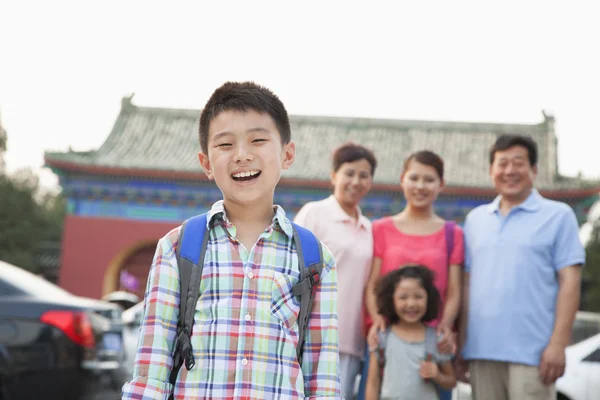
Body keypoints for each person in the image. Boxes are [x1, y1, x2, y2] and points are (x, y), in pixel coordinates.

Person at [121, 82, 341, 399]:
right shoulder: (178, 248)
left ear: (287, 154)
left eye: (258, 140)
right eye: (225, 145)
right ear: (207, 163)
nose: (241, 155)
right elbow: (150, 375)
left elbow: (323, 384)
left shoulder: (315, 259)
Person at [457, 134, 585, 400]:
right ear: (491, 171)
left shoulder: (558, 216)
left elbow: (570, 282)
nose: (510, 171)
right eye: (502, 163)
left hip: (534, 354)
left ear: (534, 170)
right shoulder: (475, 220)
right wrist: (462, 344)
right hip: (482, 351)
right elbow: (467, 285)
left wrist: (558, 344)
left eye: (518, 163)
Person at [359, 150, 464, 400]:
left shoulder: (453, 233)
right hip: (389, 342)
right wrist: (377, 321)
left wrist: (445, 327)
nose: (420, 186)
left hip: (431, 345)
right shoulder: (381, 228)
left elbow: (454, 291)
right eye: (414, 178)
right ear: (402, 180)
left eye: (429, 180)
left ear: (441, 185)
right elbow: (373, 284)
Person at [294, 142, 377, 399]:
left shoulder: (369, 228)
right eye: (349, 173)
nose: (356, 181)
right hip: (311, 333)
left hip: (351, 339)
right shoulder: (314, 214)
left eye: (364, 175)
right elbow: (291, 270)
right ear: (334, 176)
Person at [365, 266, 456, 400]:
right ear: (392, 300)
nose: (411, 303)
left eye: (418, 297)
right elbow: (373, 383)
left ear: (429, 298)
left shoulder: (437, 339)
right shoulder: (383, 337)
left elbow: (451, 382)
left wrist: (437, 375)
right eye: (403, 297)